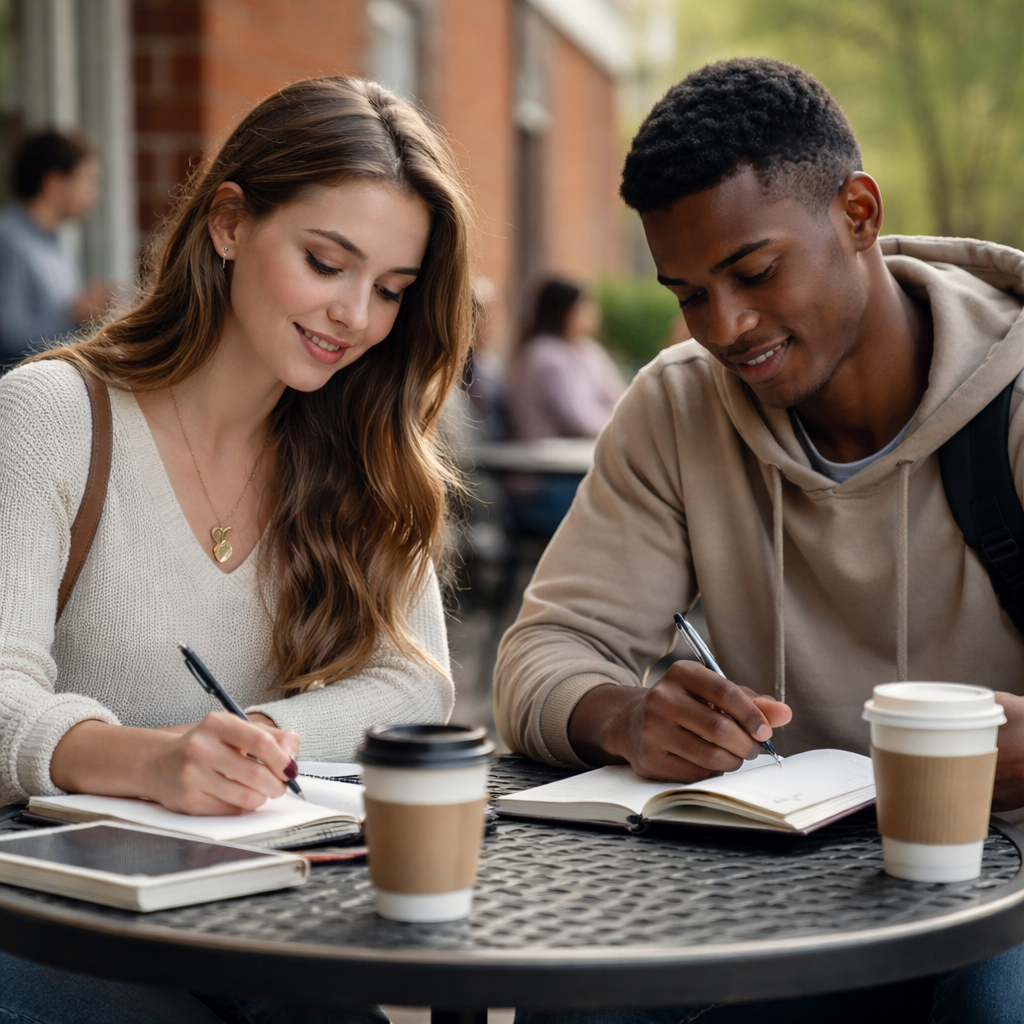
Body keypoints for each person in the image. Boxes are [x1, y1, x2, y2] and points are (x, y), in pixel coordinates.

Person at [495, 58, 1024, 1022]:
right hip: (774, 878)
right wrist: (625, 716)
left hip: (1006, 884)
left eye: (754, 272)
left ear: (857, 212)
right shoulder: (676, 406)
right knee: (577, 998)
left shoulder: (1019, 394)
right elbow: (539, 656)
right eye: (690, 293)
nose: (726, 328)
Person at [0, 76, 472, 1023]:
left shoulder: (367, 448)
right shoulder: (51, 417)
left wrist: (241, 746)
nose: (355, 317)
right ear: (227, 222)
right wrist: (147, 760)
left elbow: (414, 683)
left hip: (258, 903)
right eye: (325, 262)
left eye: (390, 290)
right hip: (52, 910)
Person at [503, 277, 625, 534]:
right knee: (624, 512)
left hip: (568, 475)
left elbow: (621, 398)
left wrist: (620, 414)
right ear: (563, 311)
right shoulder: (544, 356)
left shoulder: (586, 351)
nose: (593, 313)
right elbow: (579, 420)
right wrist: (622, 420)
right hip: (542, 484)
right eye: (584, 306)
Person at [0, 129, 113, 363]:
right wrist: (74, 316)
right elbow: (7, 334)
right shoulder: (10, 242)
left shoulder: (54, 241)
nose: (93, 195)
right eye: (86, 181)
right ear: (54, 185)